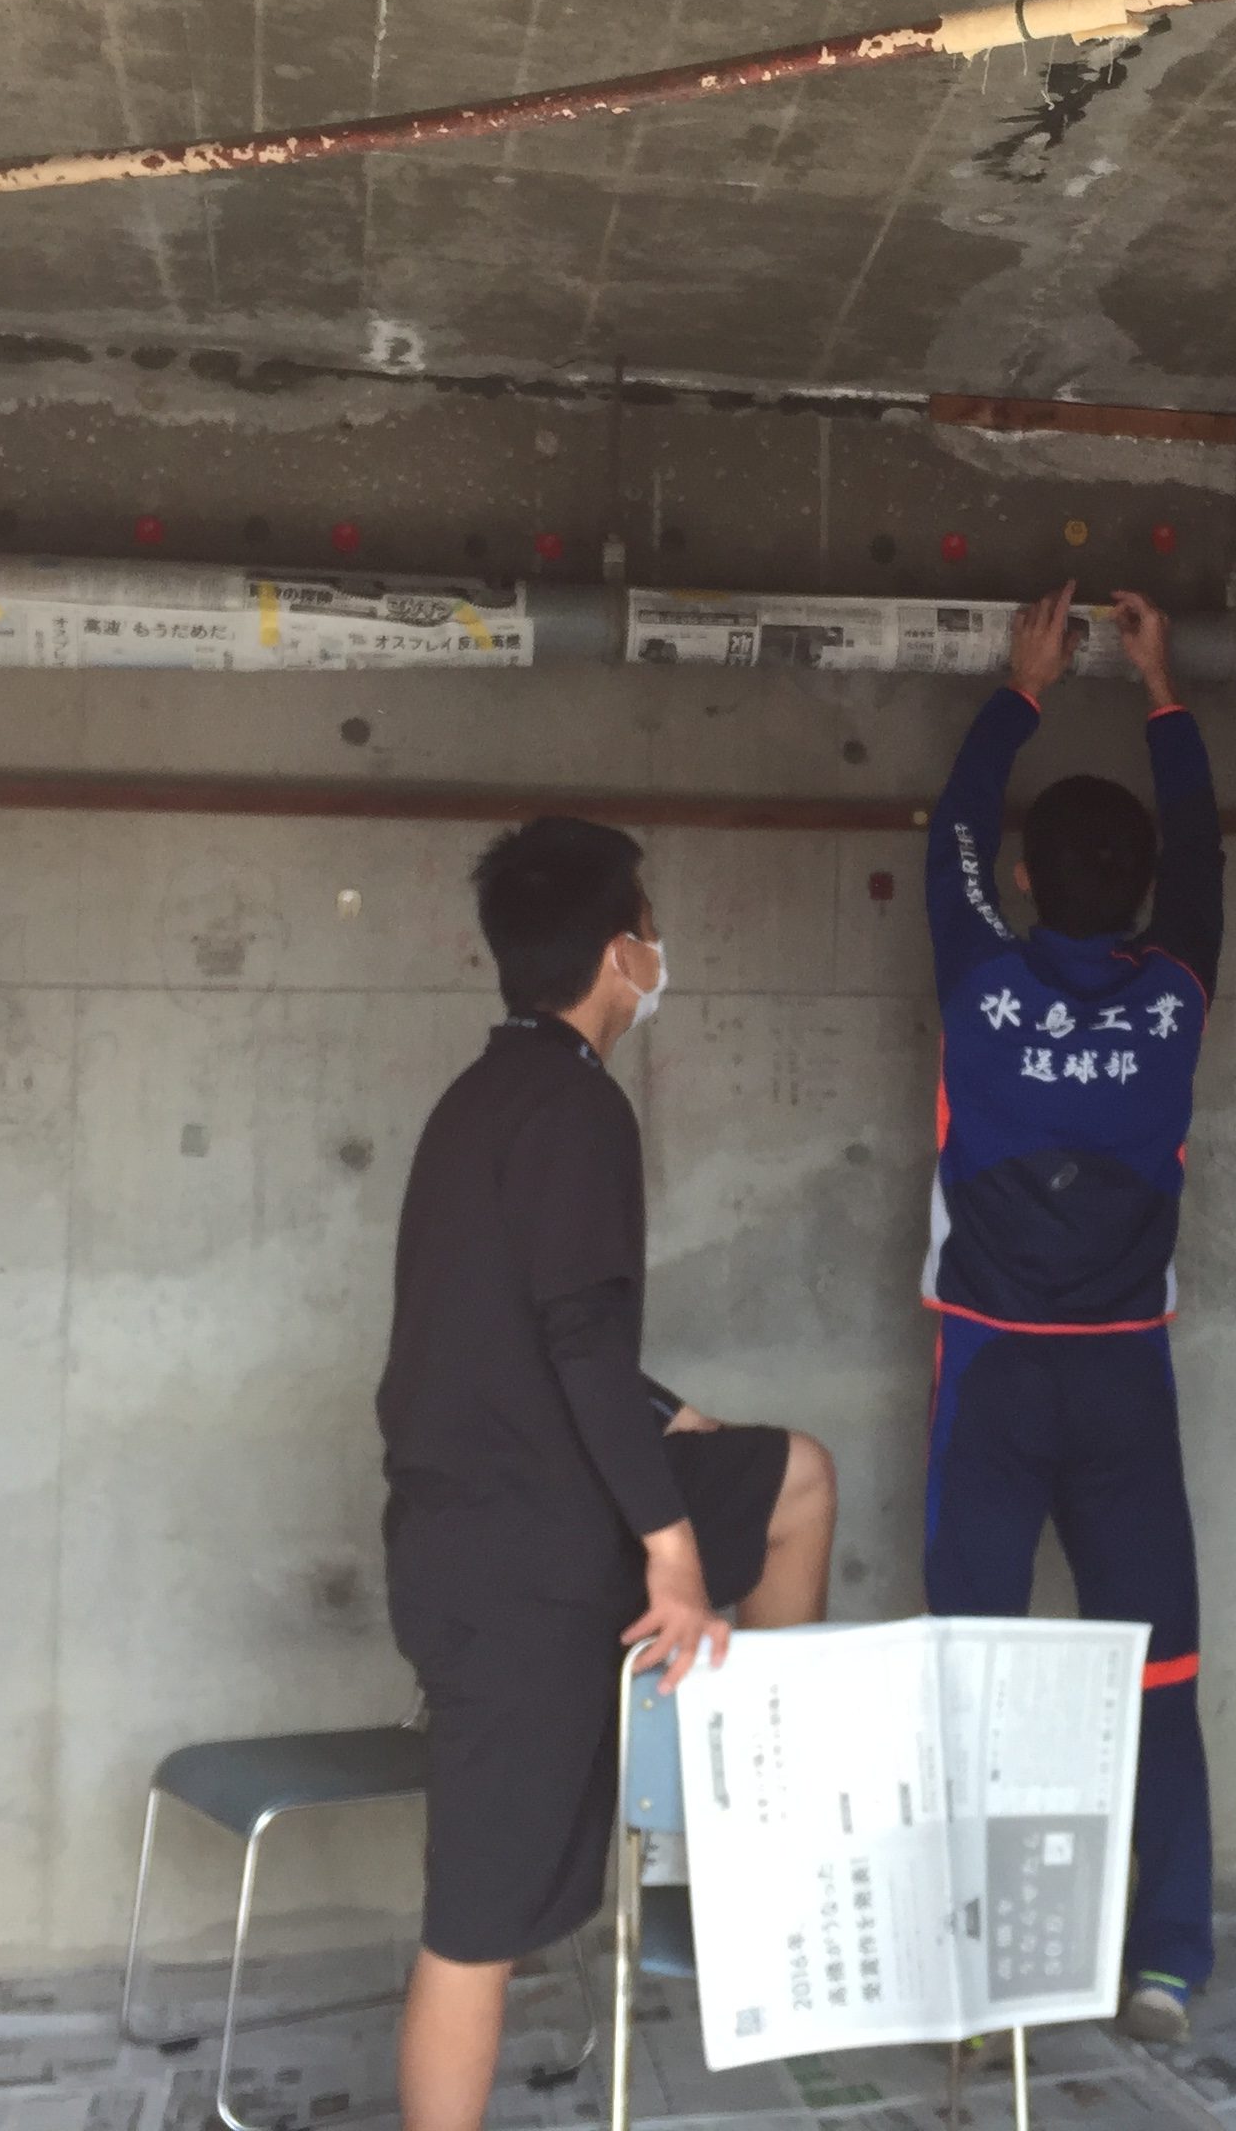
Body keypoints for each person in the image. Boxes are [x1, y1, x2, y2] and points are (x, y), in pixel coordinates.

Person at [377, 817, 839, 2131]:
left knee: (795, 1478)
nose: (656, 951)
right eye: (648, 928)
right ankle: (739, 1809)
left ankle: (753, 1811)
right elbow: (576, 1340)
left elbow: (527, 1333)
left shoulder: (478, 1100)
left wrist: (674, 1419)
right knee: (473, 1927)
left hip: (503, 1525)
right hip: (517, 1565)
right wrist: (674, 1554)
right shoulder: (579, 1108)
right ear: (615, 954)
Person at [920, 581, 1223, 2042]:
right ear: (1147, 888)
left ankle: (977, 1973)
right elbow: (1209, 862)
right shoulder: (1179, 993)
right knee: (1159, 1667)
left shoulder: (981, 978)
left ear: (1026, 878)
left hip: (989, 1373)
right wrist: (1164, 693)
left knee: (969, 1669)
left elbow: (948, 836)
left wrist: (1020, 686)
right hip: (1122, 1382)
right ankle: (1165, 1959)